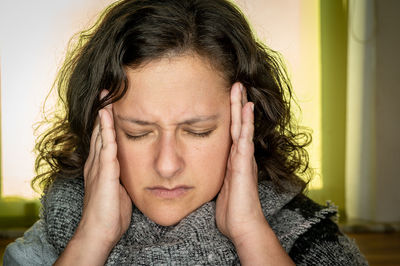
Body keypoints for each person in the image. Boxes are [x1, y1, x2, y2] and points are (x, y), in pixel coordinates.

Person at [4, 0, 368, 265]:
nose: (166, 165)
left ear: (245, 125)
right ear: (99, 131)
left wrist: (251, 234)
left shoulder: (306, 236)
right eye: (137, 132)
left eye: (198, 131)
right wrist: (92, 239)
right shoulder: (60, 232)